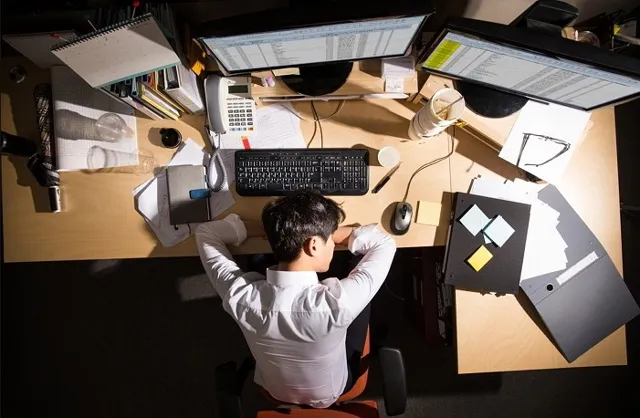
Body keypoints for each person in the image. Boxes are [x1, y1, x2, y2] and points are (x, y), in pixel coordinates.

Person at [196, 191, 396, 408]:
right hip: (332, 391)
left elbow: (206, 232)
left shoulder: (240, 297)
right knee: (360, 292)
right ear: (313, 245)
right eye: (330, 239)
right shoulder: (338, 304)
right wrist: (317, 232)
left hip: (274, 390)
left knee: (257, 260)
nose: (332, 244)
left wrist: (278, 231)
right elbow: (384, 243)